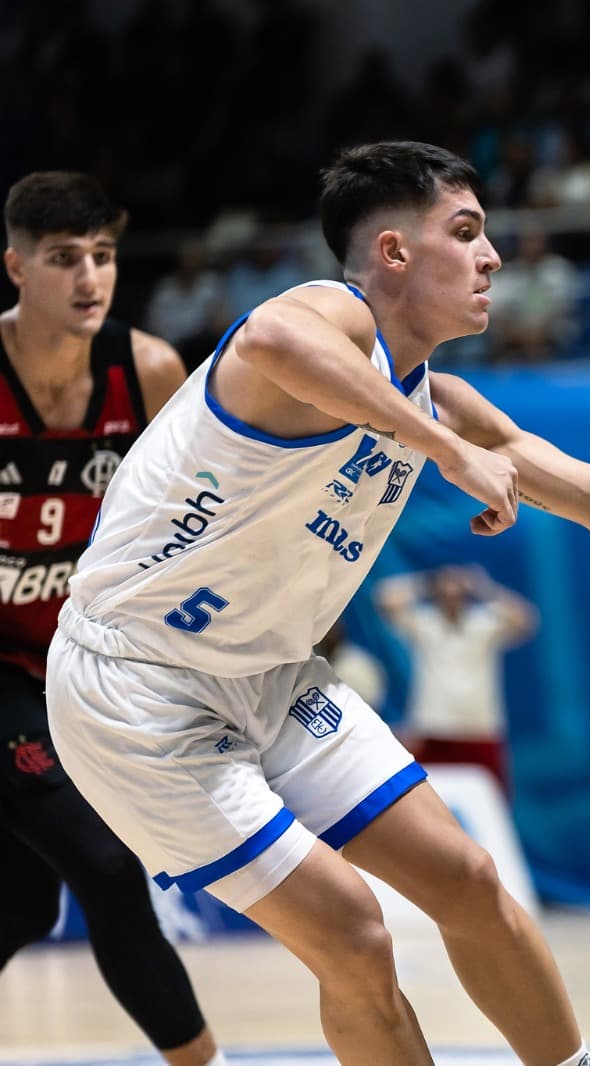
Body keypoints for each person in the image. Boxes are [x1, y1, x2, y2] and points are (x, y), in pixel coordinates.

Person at [43, 142, 590, 1066]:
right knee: (355, 935)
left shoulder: (445, 405)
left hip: (268, 678)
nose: (493, 256)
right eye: (465, 233)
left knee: (467, 880)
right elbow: (268, 340)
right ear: (391, 253)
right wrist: (448, 453)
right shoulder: (328, 317)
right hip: (138, 690)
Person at [0, 172, 226, 1066]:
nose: (90, 278)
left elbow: (186, 528)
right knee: (104, 865)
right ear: (15, 267)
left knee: (21, 903)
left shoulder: (149, 369)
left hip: (78, 665)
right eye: (64, 259)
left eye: (103, 256)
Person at [376, 564, 537, 793]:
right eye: (446, 586)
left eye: (457, 586)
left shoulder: (484, 624)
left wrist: (484, 587)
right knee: (429, 803)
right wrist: (428, 582)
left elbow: (526, 621)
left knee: (490, 805)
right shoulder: (424, 622)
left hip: (480, 729)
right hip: (432, 728)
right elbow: (385, 600)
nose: (451, 591)